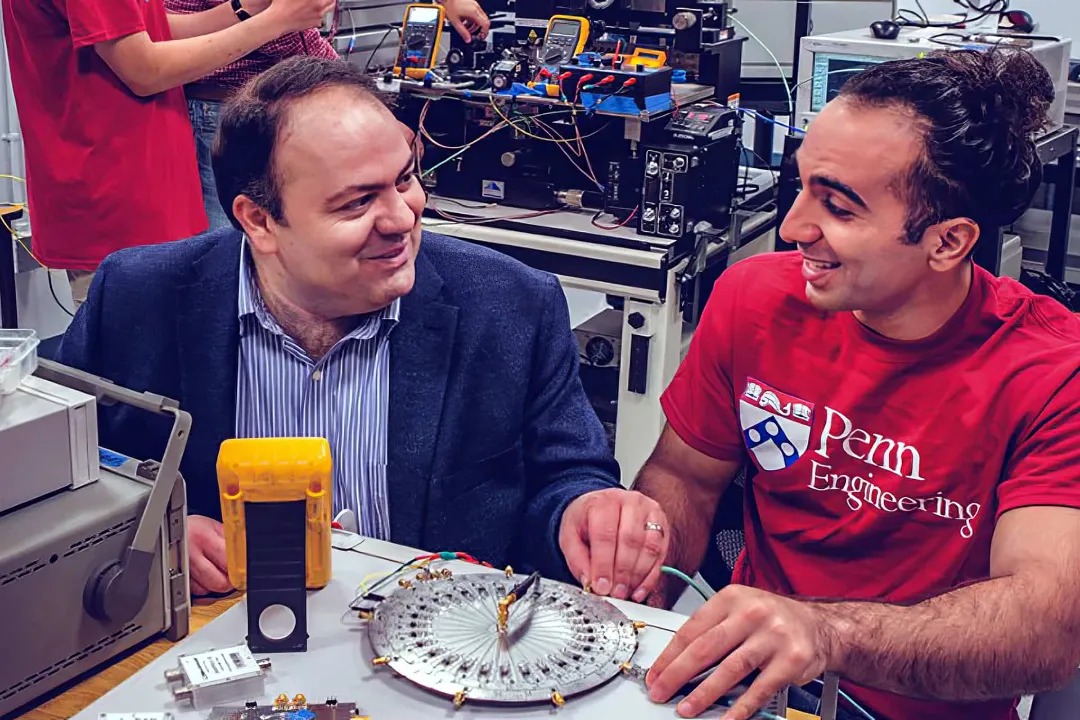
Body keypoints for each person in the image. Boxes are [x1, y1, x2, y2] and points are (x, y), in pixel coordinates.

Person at [55, 57, 667, 600]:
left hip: (436, 648)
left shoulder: (512, 306)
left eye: (405, 178)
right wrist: (148, 521)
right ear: (259, 221)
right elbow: (67, 468)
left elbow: (566, 478)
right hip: (221, 633)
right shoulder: (139, 296)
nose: (403, 218)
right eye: (357, 202)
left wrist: (583, 513)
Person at [629, 49, 1080, 720]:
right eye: (801, 184)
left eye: (838, 207)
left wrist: (826, 635)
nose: (792, 228)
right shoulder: (754, 298)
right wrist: (638, 569)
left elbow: (1044, 629)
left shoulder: (1054, 372)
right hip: (752, 691)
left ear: (948, 242)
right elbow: (685, 477)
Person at [3, 0, 333, 306]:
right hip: (116, 194)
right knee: (143, 341)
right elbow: (144, 71)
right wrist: (278, 21)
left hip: (135, 183)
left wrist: (247, 8)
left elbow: (149, 31)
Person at [163, 0, 491, 231]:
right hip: (235, 110)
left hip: (243, 106)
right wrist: (367, 108)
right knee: (243, 248)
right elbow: (288, 35)